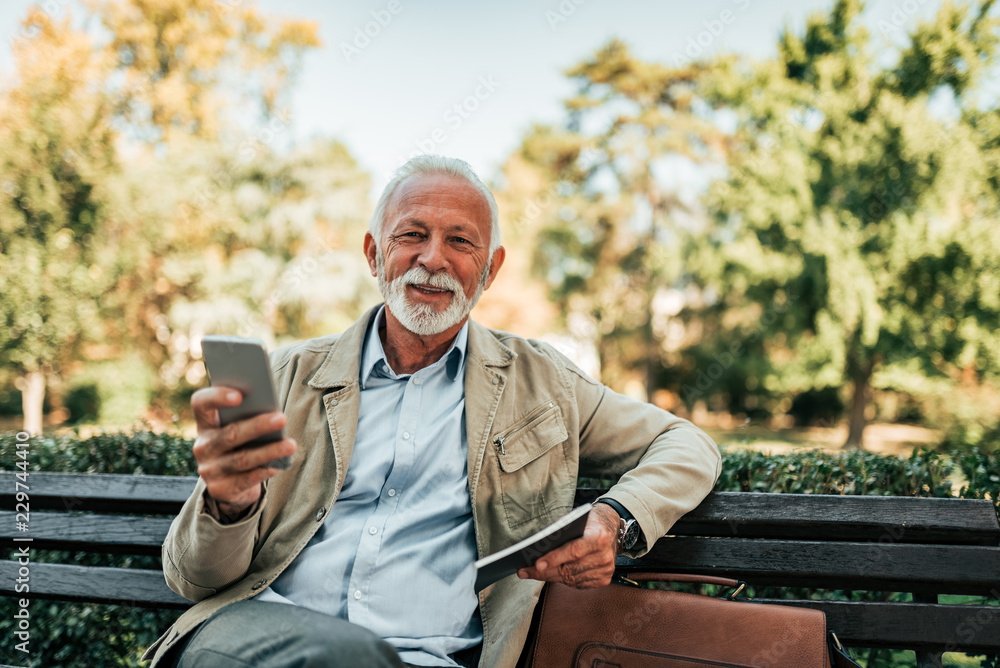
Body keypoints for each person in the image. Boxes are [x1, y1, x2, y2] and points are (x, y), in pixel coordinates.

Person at [145, 155, 721, 668]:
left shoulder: (544, 383)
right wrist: (229, 504)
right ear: (375, 254)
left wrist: (615, 519)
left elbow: (687, 444)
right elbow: (195, 579)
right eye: (412, 234)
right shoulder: (284, 376)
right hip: (254, 640)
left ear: (490, 270)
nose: (433, 259)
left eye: (460, 242)